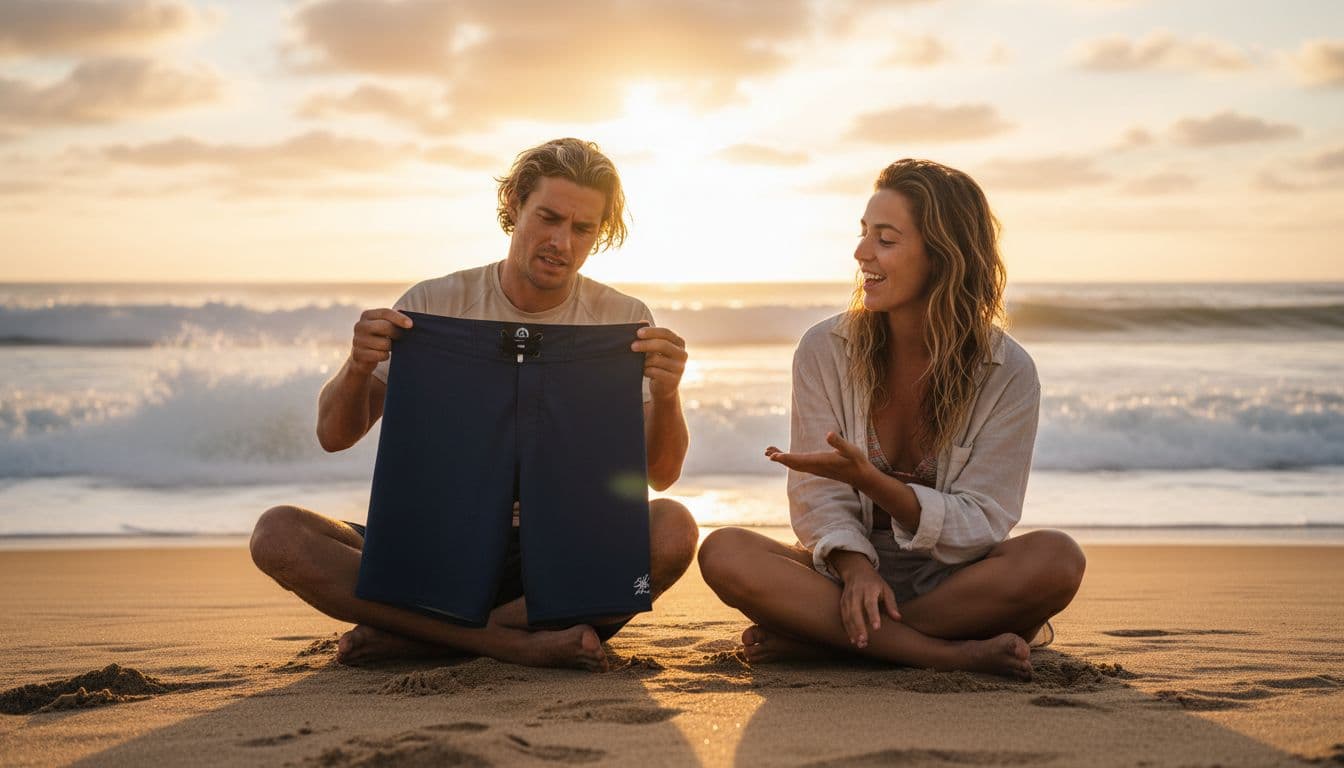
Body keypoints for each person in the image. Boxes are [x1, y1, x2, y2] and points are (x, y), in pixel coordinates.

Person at [250, 138, 697, 672]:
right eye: (548, 218)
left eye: (582, 229)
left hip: (556, 554)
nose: (561, 242)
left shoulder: (621, 320)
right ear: (514, 207)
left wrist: (667, 395)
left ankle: (426, 637)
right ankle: (507, 642)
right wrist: (358, 365)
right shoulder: (433, 306)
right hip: (432, 545)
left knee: (675, 529)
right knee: (277, 534)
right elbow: (333, 435)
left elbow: (662, 476)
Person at [697, 159, 1084, 680]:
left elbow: (983, 521)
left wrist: (874, 483)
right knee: (725, 550)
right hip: (840, 576)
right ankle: (941, 653)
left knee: (1058, 559)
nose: (861, 253)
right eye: (863, 234)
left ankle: (831, 644)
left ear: (943, 255)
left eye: (885, 239)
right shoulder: (824, 349)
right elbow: (818, 503)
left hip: (953, 583)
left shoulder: (1007, 370)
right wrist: (856, 570)